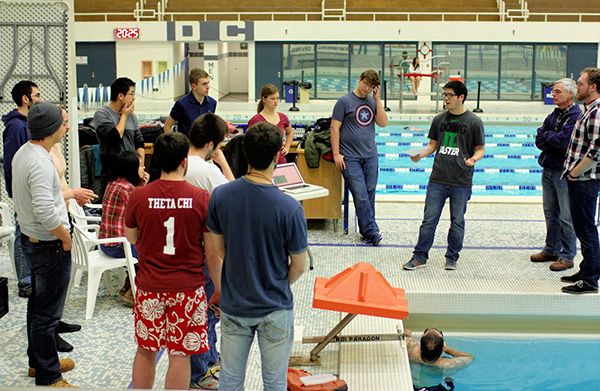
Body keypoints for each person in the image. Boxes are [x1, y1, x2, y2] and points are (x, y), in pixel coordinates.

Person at [206, 122, 307, 391]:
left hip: (235, 304)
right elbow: (298, 266)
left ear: (246, 153)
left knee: (229, 380)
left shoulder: (221, 196)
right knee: (274, 383)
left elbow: (220, 249)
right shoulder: (290, 207)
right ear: (277, 156)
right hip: (275, 306)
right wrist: (273, 282)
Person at [124, 132, 221, 389]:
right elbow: (212, 254)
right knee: (180, 354)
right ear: (184, 162)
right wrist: (220, 288)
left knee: (146, 350)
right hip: (188, 289)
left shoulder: (138, 196)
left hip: (149, 287)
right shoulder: (202, 199)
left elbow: (132, 238)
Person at [12, 101, 76, 387]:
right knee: (47, 315)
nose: (66, 127)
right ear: (51, 129)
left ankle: (38, 363)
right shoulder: (39, 162)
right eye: (62, 123)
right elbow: (45, 211)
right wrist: (65, 237)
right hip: (49, 245)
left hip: (32, 241)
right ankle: (50, 376)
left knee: (38, 308)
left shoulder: (24, 152)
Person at [404, 81, 485, 270]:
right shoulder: (439, 120)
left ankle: (452, 256)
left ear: (461, 97)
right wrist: (420, 154)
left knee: (457, 222)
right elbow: (432, 145)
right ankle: (419, 256)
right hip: (438, 179)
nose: (446, 99)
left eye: (450, 95)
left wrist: (473, 159)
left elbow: (480, 149)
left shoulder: (474, 122)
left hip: (461, 180)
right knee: (428, 220)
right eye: (445, 95)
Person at [183, 113, 233, 390]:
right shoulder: (207, 171)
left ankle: (209, 359)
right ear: (212, 144)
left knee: (203, 312)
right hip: (203, 250)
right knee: (205, 311)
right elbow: (235, 196)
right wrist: (223, 162)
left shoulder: (178, 163)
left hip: (183, 247)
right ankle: (199, 372)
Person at [331, 69, 388, 246]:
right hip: (350, 157)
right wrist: (336, 154)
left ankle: (367, 232)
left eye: (371, 87)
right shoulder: (344, 102)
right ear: (359, 80)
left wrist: (377, 99)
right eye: (365, 84)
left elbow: (383, 123)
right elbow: (334, 128)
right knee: (360, 195)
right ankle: (373, 231)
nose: (367, 89)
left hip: (370, 155)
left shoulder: (372, 101)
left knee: (369, 193)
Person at [531, 78, 580, 272]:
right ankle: (551, 249)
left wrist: (548, 137)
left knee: (566, 216)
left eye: (558, 91)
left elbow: (562, 142)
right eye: (553, 91)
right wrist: (549, 137)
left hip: (563, 171)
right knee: (550, 213)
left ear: (570, 94)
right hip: (548, 169)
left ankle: (567, 256)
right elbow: (538, 138)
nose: (553, 94)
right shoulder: (555, 114)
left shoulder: (576, 115)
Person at [561, 67, 600, 295]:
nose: (577, 87)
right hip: (581, 180)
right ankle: (588, 269)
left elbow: (597, 151)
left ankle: (590, 280)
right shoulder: (589, 110)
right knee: (584, 229)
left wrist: (576, 172)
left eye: (580, 83)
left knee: (586, 231)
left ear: (593, 86)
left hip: (584, 181)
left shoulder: (596, 113)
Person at [2, 80, 42, 298]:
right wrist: (19, 189)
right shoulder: (17, 126)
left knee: (27, 232)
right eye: (36, 95)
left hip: (29, 189)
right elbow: (11, 163)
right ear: (25, 99)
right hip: (23, 190)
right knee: (22, 232)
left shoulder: (26, 124)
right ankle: (25, 282)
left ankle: (30, 279)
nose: (40, 99)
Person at [99, 150, 148, 304]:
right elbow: (143, 214)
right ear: (131, 167)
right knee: (150, 248)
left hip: (105, 243)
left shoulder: (113, 183)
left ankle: (128, 286)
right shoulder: (128, 189)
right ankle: (133, 292)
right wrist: (143, 187)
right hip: (118, 245)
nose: (144, 168)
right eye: (140, 165)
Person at [93, 77, 145, 188]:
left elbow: (139, 143)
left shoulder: (132, 116)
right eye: (131, 94)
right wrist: (124, 115)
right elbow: (115, 137)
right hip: (113, 170)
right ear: (120, 96)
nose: (133, 98)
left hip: (132, 168)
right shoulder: (102, 114)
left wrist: (141, 166)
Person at [405, 328, 474, 391]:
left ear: (420, 347)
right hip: (434, 388)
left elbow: (405, 339)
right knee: (449, 382)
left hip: (411, 386)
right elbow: (470, 357)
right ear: (442, 349)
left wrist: (407, 334)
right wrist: (449, 350)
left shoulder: (411, 349)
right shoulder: (448, 365)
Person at [247, 84, 294, 165]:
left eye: (277, 98)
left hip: (280, 161)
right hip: (263, 163)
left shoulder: (283, 117)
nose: (275, 101)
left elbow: (290, 132)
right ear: (263, 99)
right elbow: (249, 143)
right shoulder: (255, 120)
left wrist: (287, 147)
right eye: (272, 99)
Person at [164, 68, 217, 135]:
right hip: (187, 144)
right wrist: (175, 143)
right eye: (204, 84)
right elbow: (167, 126)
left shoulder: (212, 103)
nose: (208, 87)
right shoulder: (182, 104)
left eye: (208, 83)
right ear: (193, 86)